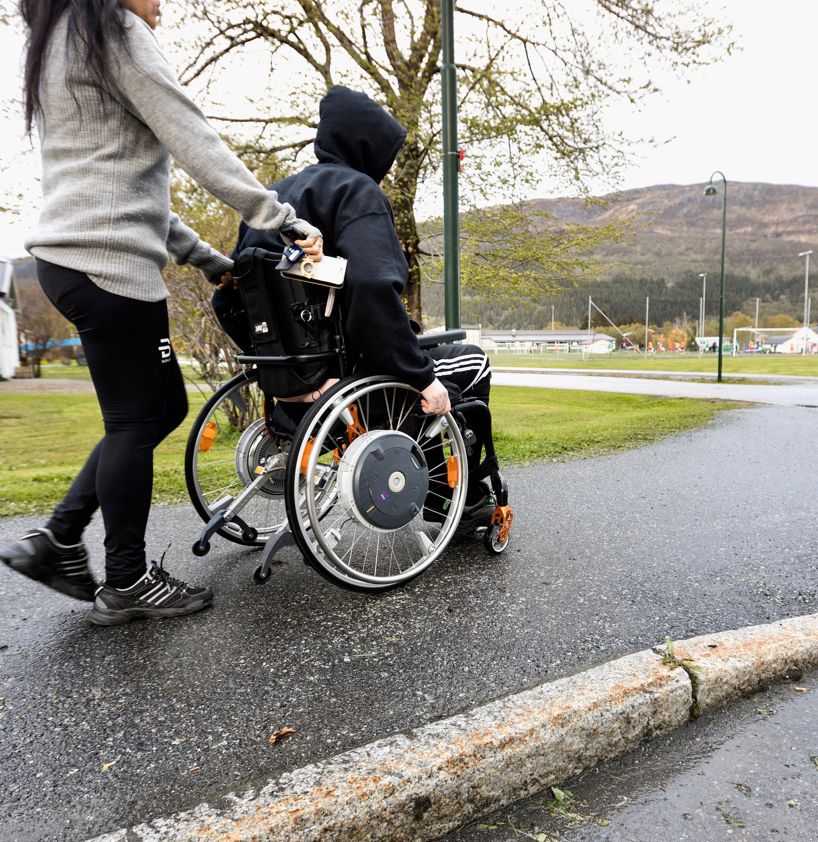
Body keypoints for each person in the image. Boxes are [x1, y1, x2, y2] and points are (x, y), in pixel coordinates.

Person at [0, 0, 323, 625]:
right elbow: (191, 133)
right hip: (109, 266)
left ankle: (59, 539)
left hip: (71, 261)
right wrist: (282, 218)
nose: (163, 4)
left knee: (160, 408)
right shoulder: (113, 29)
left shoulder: (64, 40)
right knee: (133, 421)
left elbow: (129, 192)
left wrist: (208, 260)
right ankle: (124, 580)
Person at [220, 86, 499, 534]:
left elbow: (228, 296)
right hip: (352, 388)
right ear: (369, 149)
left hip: (289, 394)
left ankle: (436, 479)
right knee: (471, 360)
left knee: (424, 356)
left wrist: (278, 365)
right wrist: (420, 376)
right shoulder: (357, 190)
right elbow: (371, 288)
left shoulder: (273, 198)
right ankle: (453, 500)